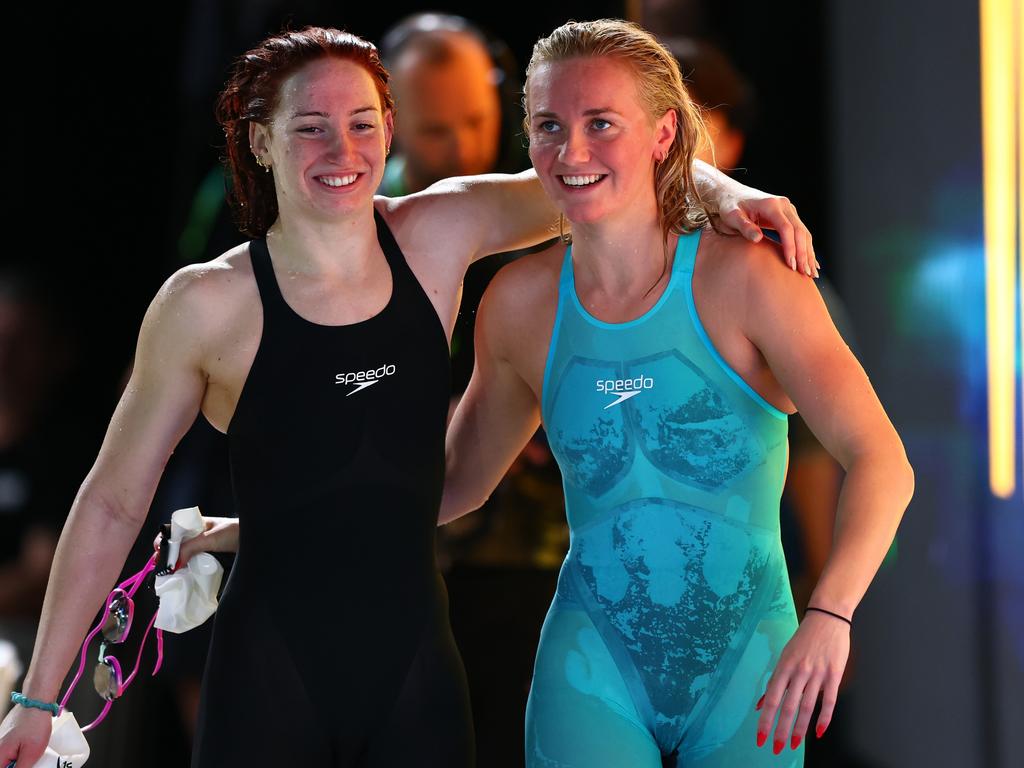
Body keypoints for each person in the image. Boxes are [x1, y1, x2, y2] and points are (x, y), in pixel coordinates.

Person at [0, 25, 816, 768]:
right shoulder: (206, 304)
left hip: (416, 676)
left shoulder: (440, 232)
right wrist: (40, 697)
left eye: (361, 122)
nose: (339, 147)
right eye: (308, 126)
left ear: (388, 132)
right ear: (258, 142)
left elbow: (602, 169)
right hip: (268, 677)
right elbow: (110, 501)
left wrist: (730, 195)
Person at [439, 19, 913, 768]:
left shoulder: (751, 280)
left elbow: (882, 459)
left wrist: (831, 614)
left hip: (749, 663)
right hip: (591, 666)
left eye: (601, 123)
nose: (572, 152)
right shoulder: (519, 304)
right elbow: (452, 484)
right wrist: (265, 524)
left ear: (665, 135)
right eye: (548, 126)